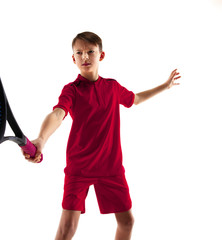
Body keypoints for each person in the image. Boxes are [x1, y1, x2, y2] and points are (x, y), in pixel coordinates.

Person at [23, 31, 181, 240]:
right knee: (67, 229)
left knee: (127, 222)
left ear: (101, 55)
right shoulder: (72, 90)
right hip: (79, 168)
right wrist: (42, 139)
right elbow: (57, 114)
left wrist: (165, 86)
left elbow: (136, 99)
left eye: (90, 51)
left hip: (111, 167)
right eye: (79, 53)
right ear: (73, 59)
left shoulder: (112, 87)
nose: (85, 57)